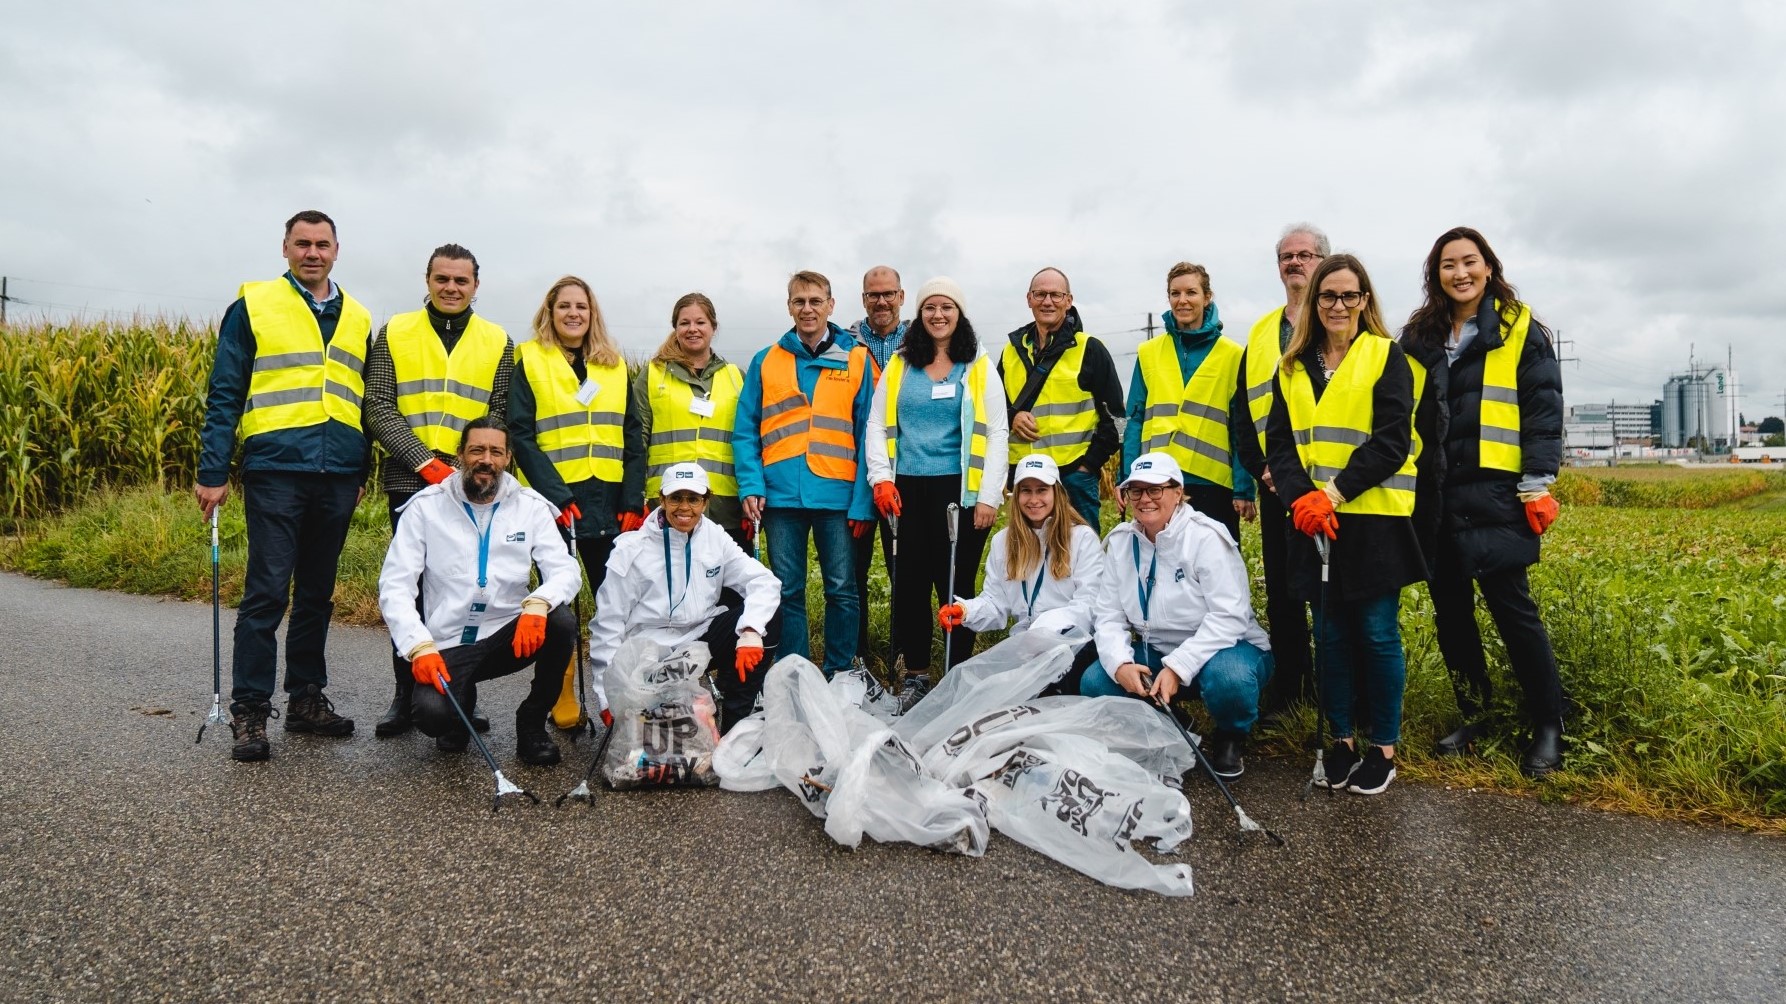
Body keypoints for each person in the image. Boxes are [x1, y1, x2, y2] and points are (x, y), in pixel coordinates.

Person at [194, 209, 368, 762]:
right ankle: (249, 709)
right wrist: (212, 471)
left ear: (336, 250)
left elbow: (361, 400)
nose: (312, 253)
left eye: (322, 244)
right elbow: (226, 391)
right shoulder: (254, 304)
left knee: (316, 593)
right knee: (267, 592)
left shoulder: (358, 316)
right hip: (276, 469)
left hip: (338, 473)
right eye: (302, 243)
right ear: (286, 248)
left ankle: (306, 699)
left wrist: (359, 471)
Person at [1401, 227, 1566, 777]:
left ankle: (1549, 725)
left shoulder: (1521, 329)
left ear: (1488, 267)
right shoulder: (1419, 336)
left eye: (1469, 262)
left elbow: (1542, 407)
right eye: (1448, 264)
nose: (1461, 273)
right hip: (1435, 494)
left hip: (1496, 492)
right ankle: (1478, 716)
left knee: (1513, 611)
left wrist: (1536, 483)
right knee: (1451, 614)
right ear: (1436, 275)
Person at [1265, 253, 1424, 796]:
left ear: (1364, 301)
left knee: (1376, 635)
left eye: (1348, 295)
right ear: (1314, 302)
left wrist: (1330, 494)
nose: (1338, 305)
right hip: (1313, 522)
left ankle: (1383, 748)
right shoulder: (1290, 366)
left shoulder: (1386, 356)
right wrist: (1301, 500)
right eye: (1328, 295)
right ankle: (1342, 741)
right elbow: (1281, 446)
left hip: (1372, 519)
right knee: (1329, 635)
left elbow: (1392, 441)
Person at [362, 243, 513, 738]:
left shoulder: (498, 341)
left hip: (475, 481)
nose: (451, 288)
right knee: (412, 586)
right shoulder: (395, 331)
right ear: (427, 281)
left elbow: (498, 413)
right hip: (412, 478)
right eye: (442, 279)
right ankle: (405, 694)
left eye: (461, 280)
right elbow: (378, 405)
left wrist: (468, 465)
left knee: (465, 586)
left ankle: (460, 693)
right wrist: (426, 463)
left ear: (476, 285)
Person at [376, 418, 581, 765]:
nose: (486, 460)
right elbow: (395, 585)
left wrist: (538, 603)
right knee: (432, 716)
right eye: (477, 450)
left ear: (508, 458)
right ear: (460, 455)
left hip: (508, 633)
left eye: (496, 452)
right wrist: (418, 647)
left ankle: (531, 723)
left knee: (560, 622)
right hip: (449, 640)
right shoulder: (425, 507)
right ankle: (460, 705)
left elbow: (565, 569)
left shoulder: (530, 506)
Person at [864, 277, 1010, 706]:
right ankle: (916, 674)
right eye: (930, 307)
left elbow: (997, 432)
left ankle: (955, 674)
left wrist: (988, 497)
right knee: (909, 584)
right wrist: (881, 478)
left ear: (959, 314)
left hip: (959, 491)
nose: (938, 314)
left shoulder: (977, 364)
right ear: (919, 314)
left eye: (947, 307)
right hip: (905, 490)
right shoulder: (901, 364)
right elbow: (876, 424)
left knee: (956, 585)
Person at [509, 276, 646, 727]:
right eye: (564, 306)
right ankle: (561, 691)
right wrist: (554, 493)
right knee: (558, 601)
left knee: (617, 600)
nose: (573, 313)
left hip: (609, 499)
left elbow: (632, 434)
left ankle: (616, 692)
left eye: (581, 307)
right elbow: (521, 434)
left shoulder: (614, 364)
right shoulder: (530, 358)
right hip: (556, 502)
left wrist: (632, 498)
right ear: (550, 312)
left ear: (592, 313)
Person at [1083, 453, 1273, 779]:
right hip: (1157, 651)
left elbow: (1230, 617)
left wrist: (1178, 667)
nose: (1145, 499)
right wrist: (1120, 663)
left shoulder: (1207, 537)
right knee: (1096, 681)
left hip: (1226, 650)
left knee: (1230, 680)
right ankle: (1173, 721)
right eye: (1136, 491)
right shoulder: (1121, 542)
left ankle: (1230, 734)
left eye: (1155, 490)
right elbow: (1109, 615)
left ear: (1177, 492)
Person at [733, 271, 877, 679]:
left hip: (838, 496)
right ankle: (795, 675)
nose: (808, 308)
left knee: (843, 589)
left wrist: (863, 503)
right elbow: (745, 430)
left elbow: (870, 433)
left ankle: (840, 673)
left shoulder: (858, 359)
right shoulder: (766, 360)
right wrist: (751, 485)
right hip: (779, 497)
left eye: (816, 301)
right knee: (786, 589)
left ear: (831, 305)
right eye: (799, 301)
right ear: (789, 307)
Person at [586, 463, 782, 733]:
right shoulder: (631, 549)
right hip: (649, 653)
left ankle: (735, 731)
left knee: (768, 618)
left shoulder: (715, 536)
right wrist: (607, 695)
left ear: (705, 502)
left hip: (699, 639)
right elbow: (608, 623)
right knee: (668, 743)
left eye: (693, 499)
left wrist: (750, 631)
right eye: (676, 498)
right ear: (662, 499)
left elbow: (763, 581)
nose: (684, 507)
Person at [1233, 223, 1329, 719]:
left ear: (1323, 262)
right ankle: (1292, 689)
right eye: (1287, 256)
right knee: (1284, 592)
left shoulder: (1340, 321)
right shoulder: (1260, 333)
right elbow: (1243, 412)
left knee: (1331, 593)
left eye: (1305, 255)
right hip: (1277, 488)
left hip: (1331, 489)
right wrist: (1264, 470)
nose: (1295, 262)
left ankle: (1338, 692)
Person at [938, 454, 1102, 697]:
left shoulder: (1082, 538)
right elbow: (996, 602)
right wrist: (966, 611)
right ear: (1016, 495)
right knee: (979, 692)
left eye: (1042, 490)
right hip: (1024, 648)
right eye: (1026, 491)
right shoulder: (1002, 542)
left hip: (1072, 645)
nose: (1034, 499)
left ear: (1056, 492)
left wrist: (1044, 630)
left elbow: (1089, 605)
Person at [1123, 262, 1256, 542]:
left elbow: (1242, 427)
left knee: (1215, 560)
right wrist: (1127, 477)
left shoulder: (1233, 355)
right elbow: (1135, 419)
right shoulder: (1148, 352)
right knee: (1157, 559)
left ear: (1207, 297)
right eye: (1175, 293)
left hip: (1212, 483)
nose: (1182, 300)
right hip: (1156, 482)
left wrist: (1243, 488)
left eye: (1191, 292)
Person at [998, 267, 1126, 531]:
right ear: (1029, 299)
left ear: (1069, 301)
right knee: (1027, 551)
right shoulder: (1011, 351)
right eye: (1040, 294)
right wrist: (1012, 417)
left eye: (1056, 295)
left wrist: (1087, 467)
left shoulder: (1090, 349)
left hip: (1072, 478)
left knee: (1081, 551)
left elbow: (1115, 419)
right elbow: (994, 409)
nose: (1047, 301)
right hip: (1026, 479)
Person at [633, 292, 749, 550]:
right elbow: (636, 441)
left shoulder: (736, 377)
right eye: (684, 323)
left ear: (713, 327)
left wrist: (748, 497)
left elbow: (749, 442)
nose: (692, 329)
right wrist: (635, 498)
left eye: (700, 322)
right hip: (668, 506)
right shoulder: (653, 375)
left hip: (724, 509)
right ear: (675, 328)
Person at [846, 266, 908, 668]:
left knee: (903, 569)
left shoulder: (922, 342)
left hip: (904, 473)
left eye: (888, 294)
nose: (881, 302)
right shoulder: (844, 344)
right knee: (852, 571)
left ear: (901, 296)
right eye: (873, 295)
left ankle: (902, 653)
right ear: (863, 299)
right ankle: (856, 656)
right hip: (854, 475)